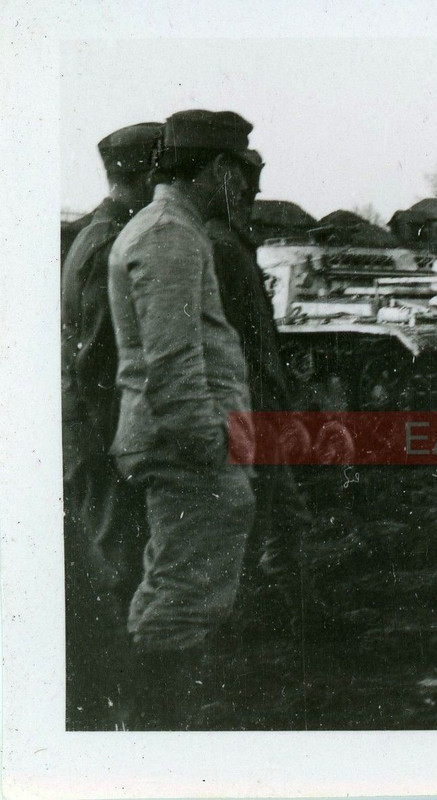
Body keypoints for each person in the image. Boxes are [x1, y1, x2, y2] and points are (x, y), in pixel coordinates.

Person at [108, 109, 259, 729]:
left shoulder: (173, 228)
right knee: (179, 594)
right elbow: (171, 362)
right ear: (217, 168)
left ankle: (165, 724)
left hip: (184, 442)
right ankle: (160, 738)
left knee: (182, 585)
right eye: (238, 171)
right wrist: (210, 450)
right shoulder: (168, 233)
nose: (245, 187)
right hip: (184, 447)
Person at [60, 121, 160, 729]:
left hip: (93, 430)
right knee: (116, 559)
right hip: (99, 434)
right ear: (148, 175)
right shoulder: (107, 245)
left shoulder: (99, 235)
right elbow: (99, 361)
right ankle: (122, 702)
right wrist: (121, 445)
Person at [205, 149, 315, 628]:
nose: (254, 192)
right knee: (253, 517)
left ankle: (297, 612)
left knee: (283, 514)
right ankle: (245, 620)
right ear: (226, 181)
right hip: (247, 406)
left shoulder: (232, 243)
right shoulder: (222, 246)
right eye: (247, 182)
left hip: (261, 404)